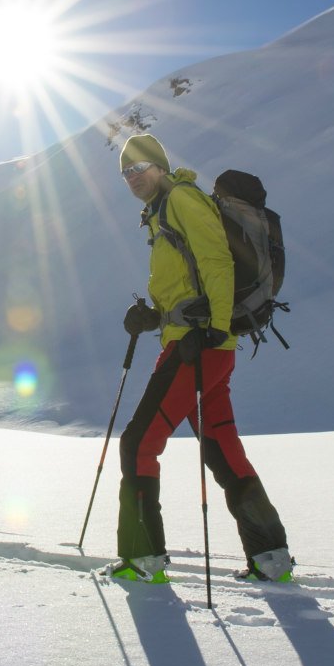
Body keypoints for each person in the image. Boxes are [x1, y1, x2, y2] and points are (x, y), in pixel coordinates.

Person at [111, 133, 293, 584]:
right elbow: (187, 282)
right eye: (126, 172)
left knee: (138, 444)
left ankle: (143, 559)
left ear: (160, 166)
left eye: (140, 168)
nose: (134, 178)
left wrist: (214, 326)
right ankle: (271, 558)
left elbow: (216, 260)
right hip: (198, 343)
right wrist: (152, 316)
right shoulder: (158, 212)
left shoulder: (182, 200)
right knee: (222, 449)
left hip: (199, 346)